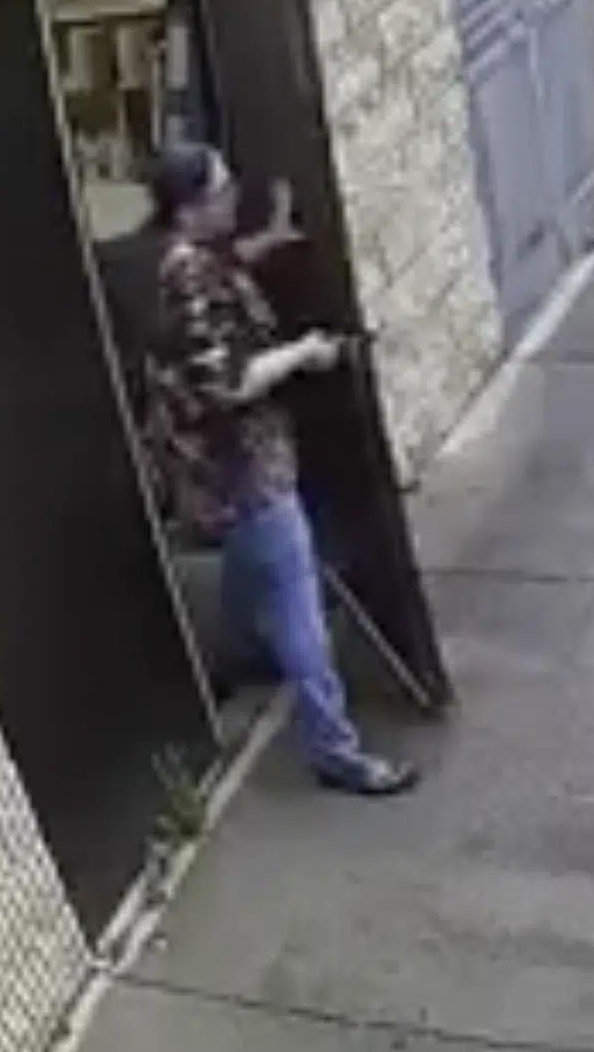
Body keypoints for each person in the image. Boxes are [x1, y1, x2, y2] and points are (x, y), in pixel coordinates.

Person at [140, 141, 419, 797]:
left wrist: (270, 237)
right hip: (244, 466)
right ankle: (335, 750)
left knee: (249, 561)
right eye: (223, 191)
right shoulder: (188, 278)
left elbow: (224, 273)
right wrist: (304, 354)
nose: (234, 197)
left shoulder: (178, 263)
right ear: (190, 207)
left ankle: (236, 656)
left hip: (215, 470)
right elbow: (230, 381)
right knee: (298, 605)